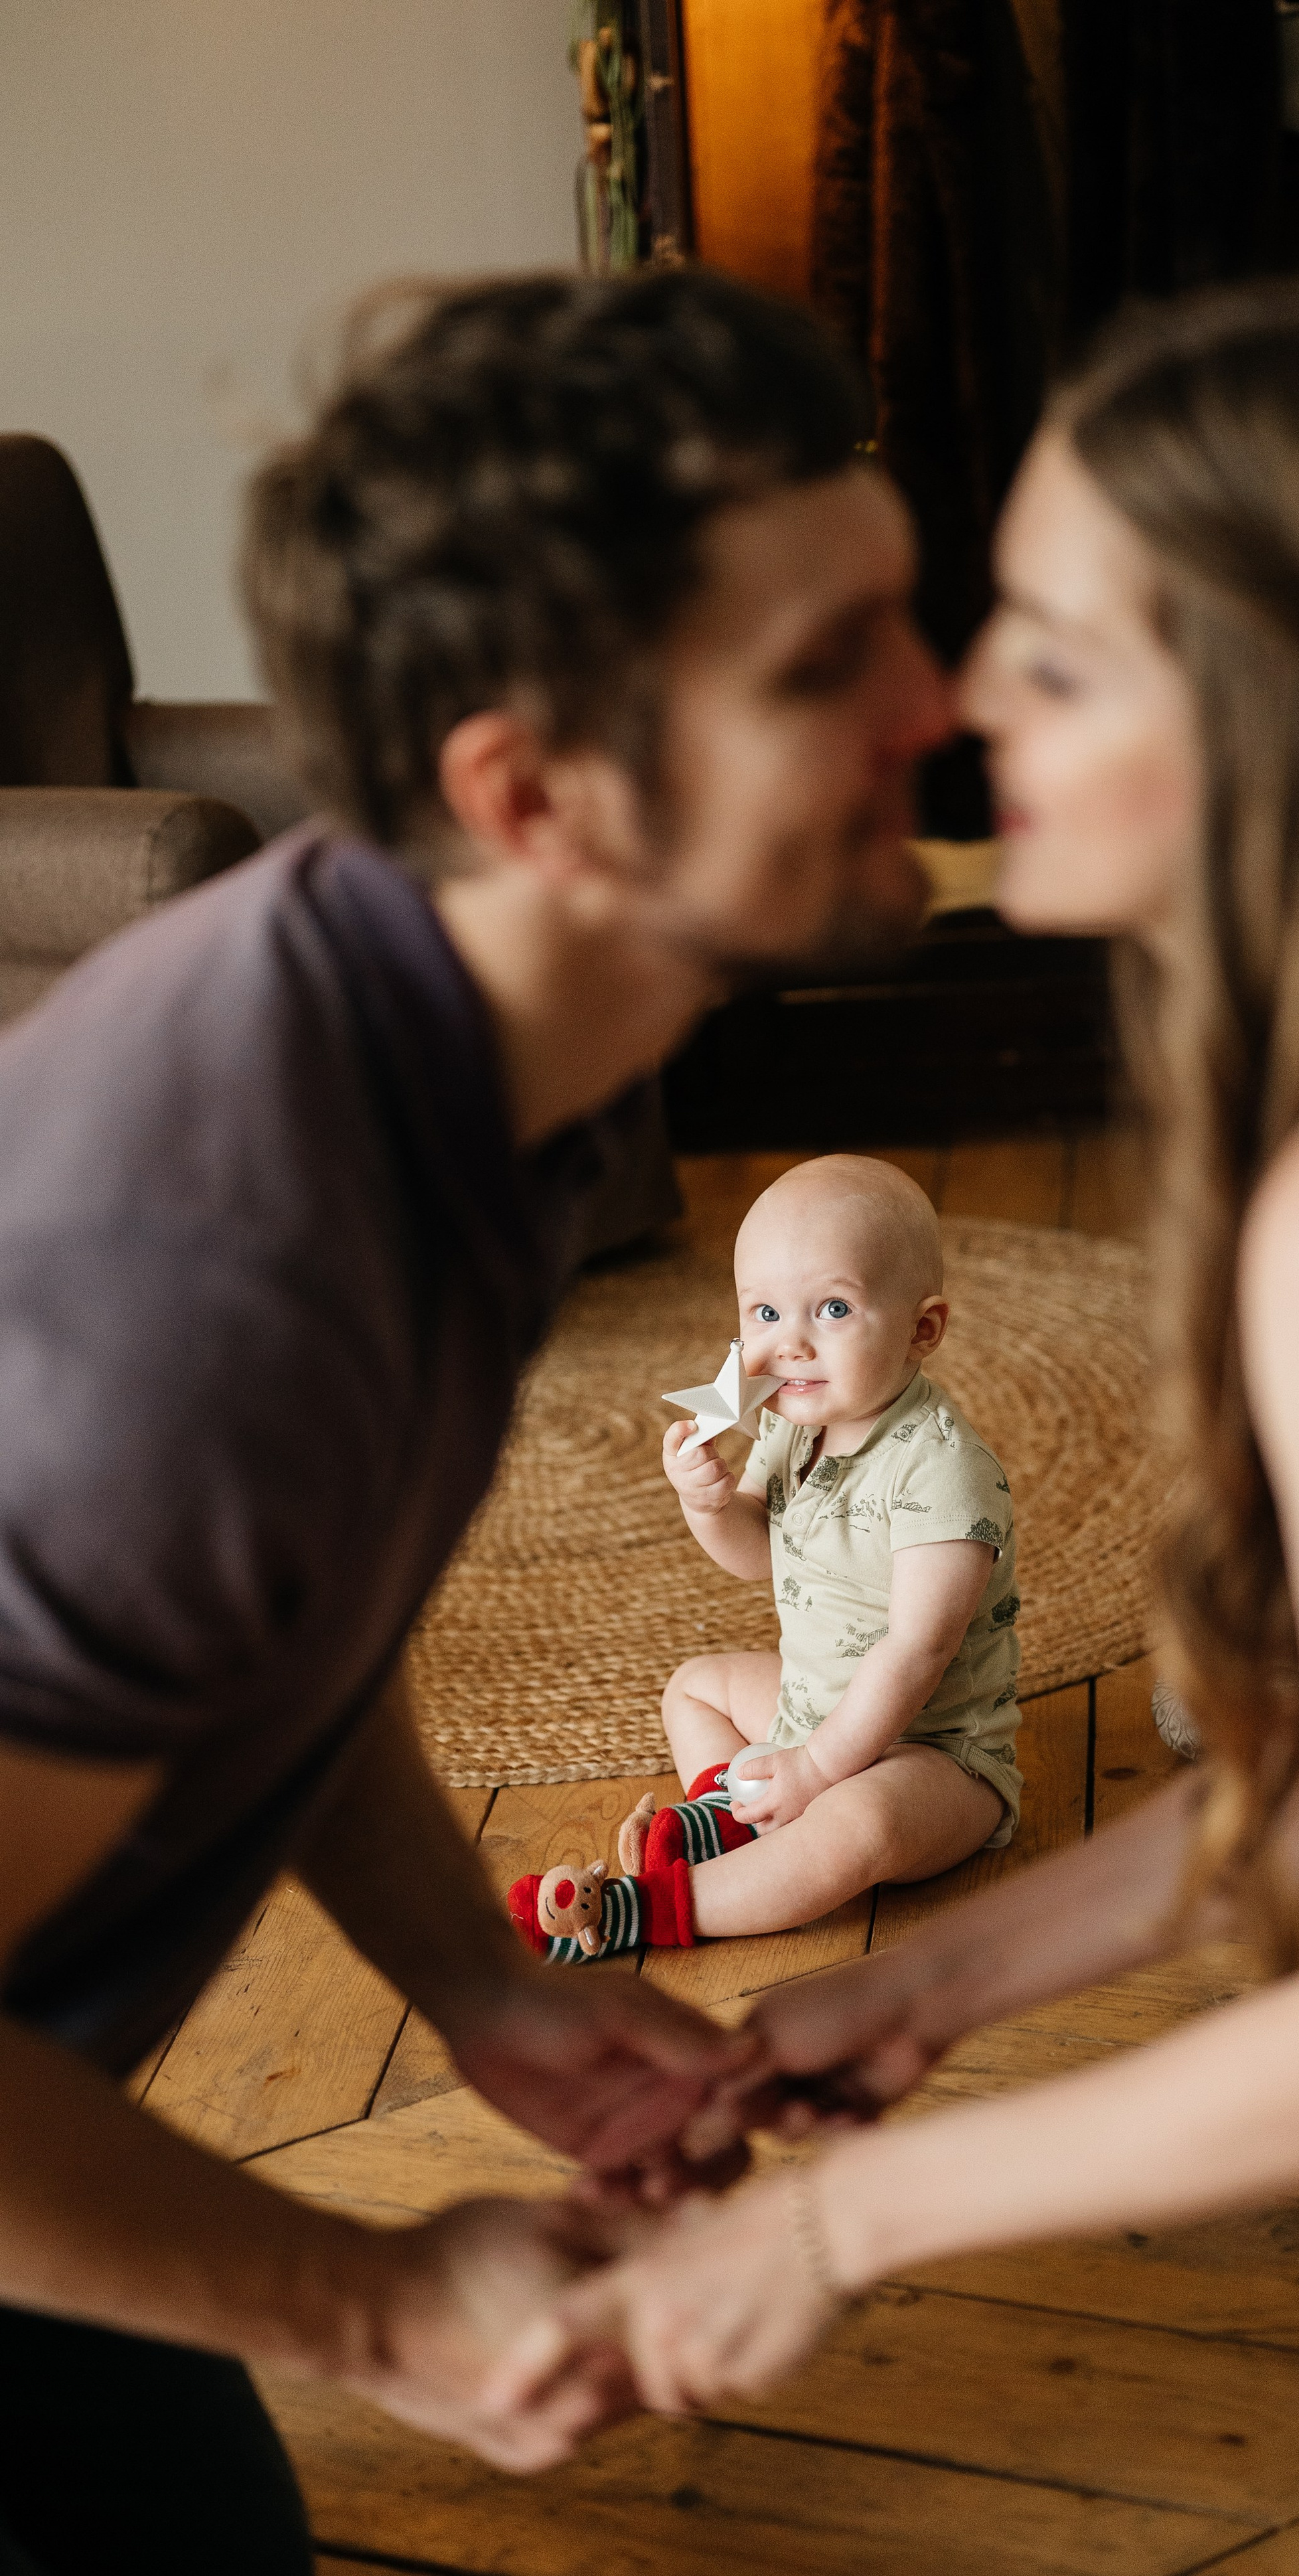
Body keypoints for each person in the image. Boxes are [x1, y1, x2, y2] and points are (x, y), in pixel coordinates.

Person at [558, 280, 1299, 2571]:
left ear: (1282, 710)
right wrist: (930, 1977)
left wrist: (828, 2229)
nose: (972, 697)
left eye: (1060, 652)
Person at [0, 265, 954, 2573]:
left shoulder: (463, 1058)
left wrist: (476, 1984)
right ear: (530, 792)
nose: (937, 704)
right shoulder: (212, 1288)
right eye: (822, 666)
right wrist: (381, 2300)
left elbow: (290, 1620)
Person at [508, 1155, 1022, 1959]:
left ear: (923, 1328)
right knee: (693, 1688)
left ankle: (652, 1909)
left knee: (860, 1828)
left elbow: (917, 1648)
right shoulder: (790, 1425)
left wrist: (818, 1768)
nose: (791, 1344)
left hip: (932, 1749)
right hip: (811, 1708)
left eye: (833, 1308)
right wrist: (707, 1500)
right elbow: (754, 1554)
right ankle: (728, 1817)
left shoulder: (943, 1469)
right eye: (767, 1312)